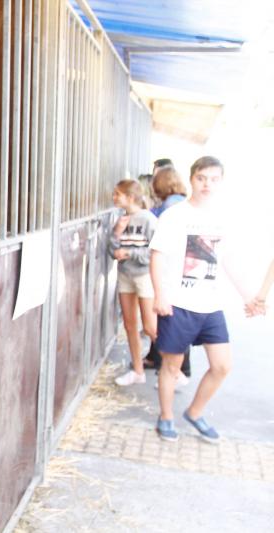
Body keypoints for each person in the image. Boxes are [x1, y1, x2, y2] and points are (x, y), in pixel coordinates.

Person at [149, 156, 261, 443]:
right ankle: (166, 417)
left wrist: (248, 297)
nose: (207, 184)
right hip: (178, 303)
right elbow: (157, 256)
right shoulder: (175, 215)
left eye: (213, 179)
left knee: (223, 365)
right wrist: (160, 295)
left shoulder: (223, 218)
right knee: (171, 367)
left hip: (211, 305)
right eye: (202, 178)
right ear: (192, 179)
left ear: (220, 182)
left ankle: (195, 412)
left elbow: (229, 261)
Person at [144, 167, 192, 381]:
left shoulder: (171, 207)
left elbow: (160, 236)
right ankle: (167, 364)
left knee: (172, 322)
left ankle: (177, 370)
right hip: (179, 268)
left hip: (170, 268)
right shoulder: (180, 202)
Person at [108, 179, 157, 386]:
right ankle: (138, 369)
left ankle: (176, 367)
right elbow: (111, 251)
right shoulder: (121, 219)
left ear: (130, 197)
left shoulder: (148, 219)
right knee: (129, 324)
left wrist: (129, 252)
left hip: (144, 275)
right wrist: (117, 234)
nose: (114, 197)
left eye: (118, 194)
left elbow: (155, 251)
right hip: (125, 274)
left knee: (150, 326)